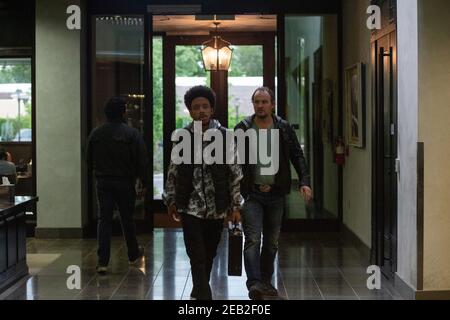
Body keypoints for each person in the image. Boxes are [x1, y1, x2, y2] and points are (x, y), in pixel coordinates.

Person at [163, 85, 243, 300]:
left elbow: (235, 172)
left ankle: (199, 289)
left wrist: (235, 206)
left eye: (205, 107)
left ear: (212, 109)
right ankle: (204, 297)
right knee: (196, 254)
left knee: (209, 253)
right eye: (196, 107)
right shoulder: (183, 137)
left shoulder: (226, 136)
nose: (201, 111)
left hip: (217, 207)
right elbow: (173, 171)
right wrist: (170, 198)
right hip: (190, 206)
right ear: (190, 111)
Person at [235, 87, 313, 300]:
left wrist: (304, 182)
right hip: (252, 194)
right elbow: (232, 163)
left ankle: (265, 282)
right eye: (257, 102)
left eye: (264, 102)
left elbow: (298, 156)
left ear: (272, 104)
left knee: (272, 242)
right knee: (252, 239)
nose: (260, 106)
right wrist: (233, 197)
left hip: (276, 194)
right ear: (253, 105)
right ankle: (254, 284)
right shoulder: (243, 128)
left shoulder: (283, 128)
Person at [86, 97, 148, 274]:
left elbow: (88, 159)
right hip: (124, 181)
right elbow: (141, 160)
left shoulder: (96, 133)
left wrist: (97, 173)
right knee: (126, 218)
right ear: (123, 112)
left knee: (104, 220)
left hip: (103, 181)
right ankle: (133, 254)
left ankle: (103, 261)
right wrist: (143, 181)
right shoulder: (131, 134)